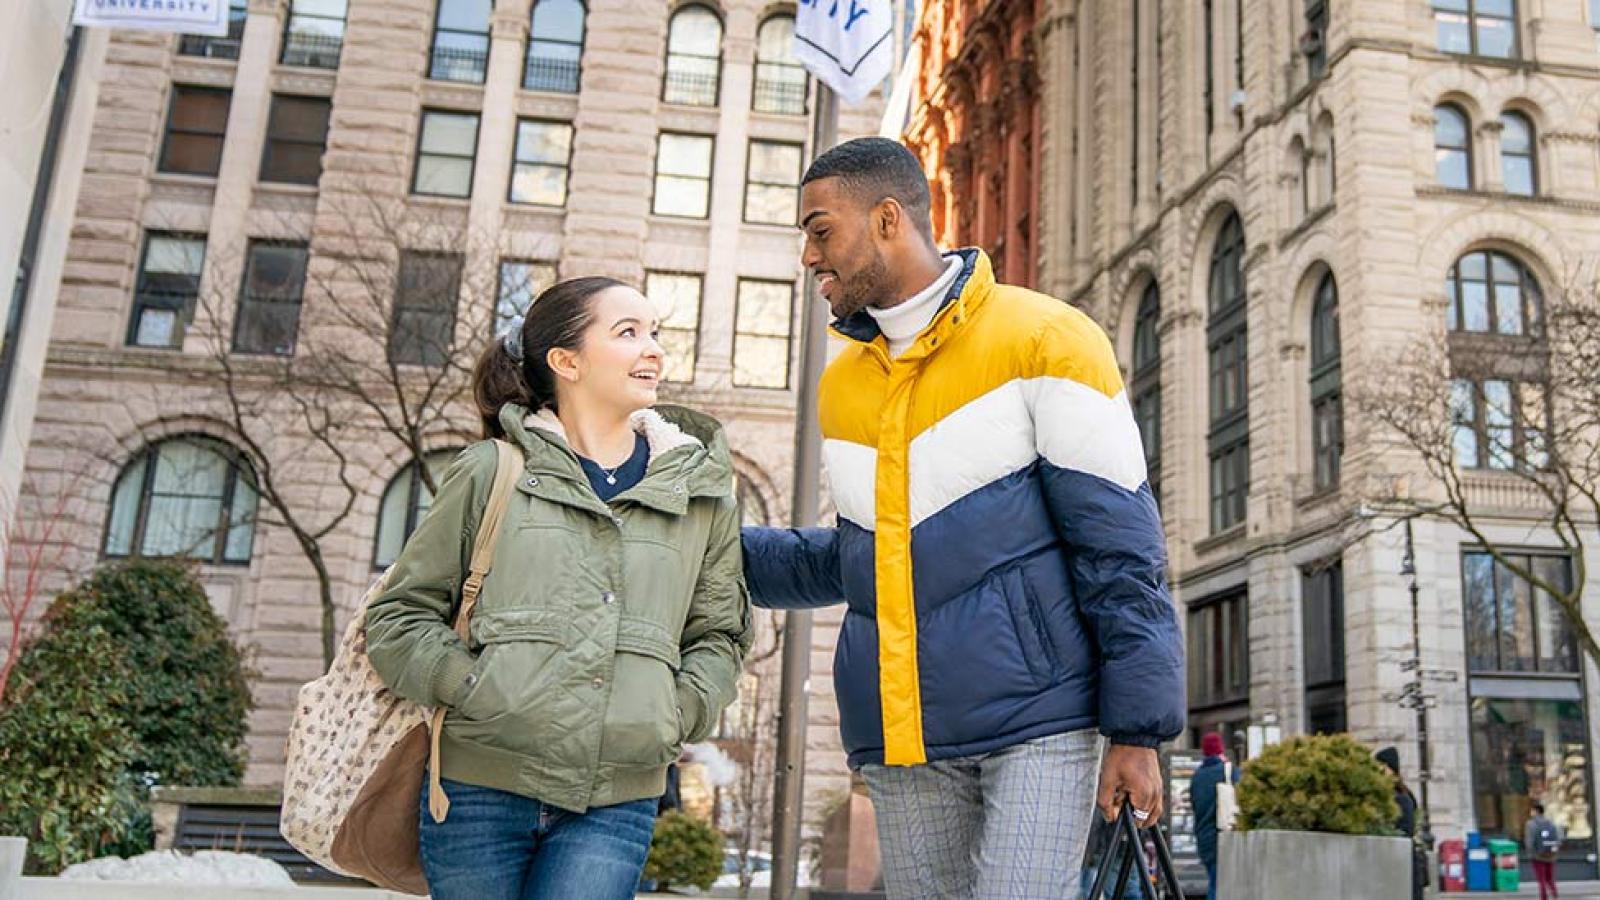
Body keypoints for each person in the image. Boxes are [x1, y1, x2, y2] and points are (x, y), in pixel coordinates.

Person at [741, 137, 1186, 898]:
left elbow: (1121, 553)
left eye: (821, 231)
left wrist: (1138, 731)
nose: (811, 258)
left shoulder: (1048, 339)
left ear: (888, 220)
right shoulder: (843, 383)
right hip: (901, 733)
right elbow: (857, 560)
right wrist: (710, 546)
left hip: (1042, 721)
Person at [365, 277, 753, 900]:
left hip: (617, 796)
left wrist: (672, 714)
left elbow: (719, 635)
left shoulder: (699, 493)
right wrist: (470, 686)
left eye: (655, 333)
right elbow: (398, 616)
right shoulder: (493, 470)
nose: (652, 348)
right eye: (628, 333)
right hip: (478, 790)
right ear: (567, 361)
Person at [1189, 733, 1236, 900]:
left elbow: (1194, 805)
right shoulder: (1227, 771)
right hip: (1223, 835)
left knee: (1213, 880)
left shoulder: (1197, 777)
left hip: (1203, 838)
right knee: (1220, 885)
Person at [1376, 746, 1425, 900]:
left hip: (1404, 863)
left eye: (1382, 766)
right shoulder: (1400, 794)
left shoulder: (1401, 798)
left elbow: (1405, 830)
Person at [1525, 801, 1561, 900]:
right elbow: (1557, 839)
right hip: (1550, 855)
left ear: (1535, 811)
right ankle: (1555, 896)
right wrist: (1554, 852)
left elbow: (1529, 841)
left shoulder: (1530, 824)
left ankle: (1544, 897)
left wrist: (1530, 853)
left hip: (1537, 856)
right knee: (1550, 878)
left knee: (1542, 879)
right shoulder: (1551, 823)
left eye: (1532, 810)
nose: (1530, 812)